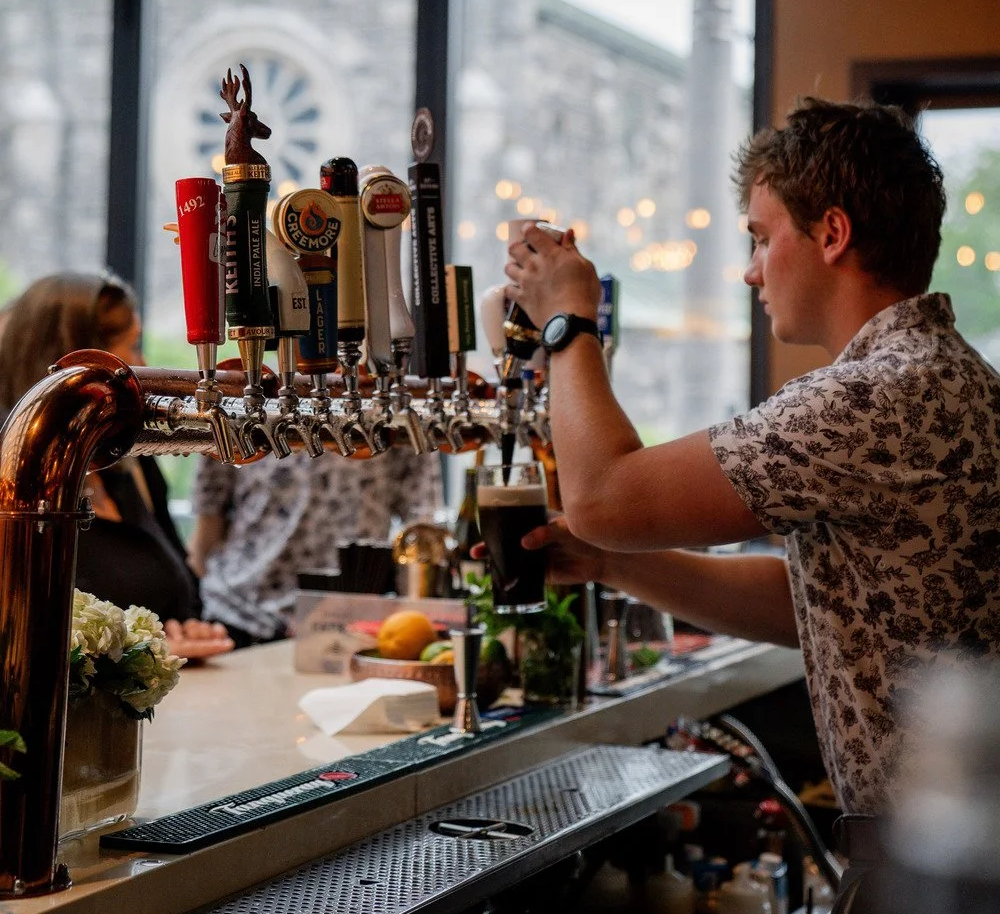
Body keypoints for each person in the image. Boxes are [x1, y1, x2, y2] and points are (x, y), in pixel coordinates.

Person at [505, 97, 1000, 820]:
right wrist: (614, 564)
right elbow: (820, 608)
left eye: (762, 239)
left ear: (831, 234)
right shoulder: (954, 376)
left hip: (929, 873)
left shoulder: (868, 400)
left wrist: (567, 318)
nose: (750, 272)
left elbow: (603, 496)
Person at [0, 273, 233, 661]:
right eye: (130, 348)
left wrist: (185, 627)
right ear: (77, 366)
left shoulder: (125, 465)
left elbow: (181, 591)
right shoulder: (12, 479)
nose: (142, 365)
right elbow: (22, 638)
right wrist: (133, 652)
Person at [189, 446, 443, 646]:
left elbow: (421, 528)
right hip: (239, 618)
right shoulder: (246, 390)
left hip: (347, 626)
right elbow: (206, 527)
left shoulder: (384, 397)